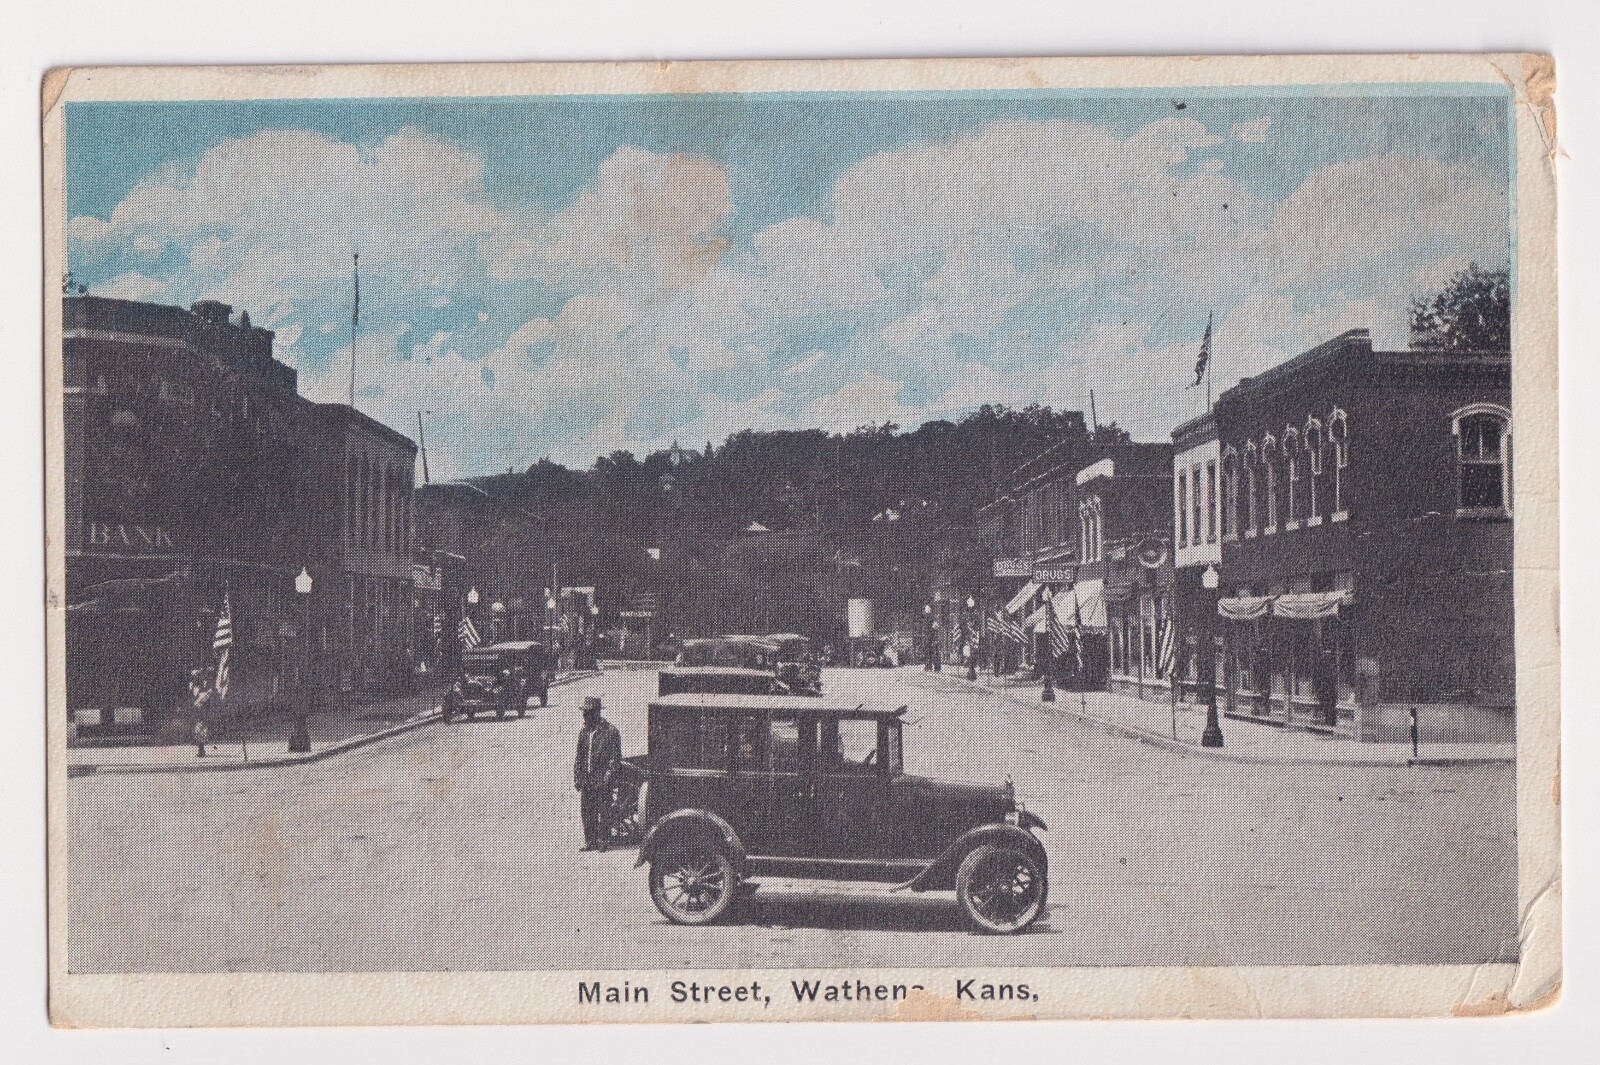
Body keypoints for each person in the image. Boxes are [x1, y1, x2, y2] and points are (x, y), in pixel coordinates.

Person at [573, 695, 621, 852]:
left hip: (602, 780)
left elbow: (615, 759)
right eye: (584, 713)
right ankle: (590, 841)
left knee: (604, 811)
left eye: (588, 713)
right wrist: (578, 777)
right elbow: (579, 757)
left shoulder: (610, 732)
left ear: (597, 713)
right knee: (587, 811)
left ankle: (603, 840)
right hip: (587, 780)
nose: (584, 716)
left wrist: (608, 777)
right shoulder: (583, 733)